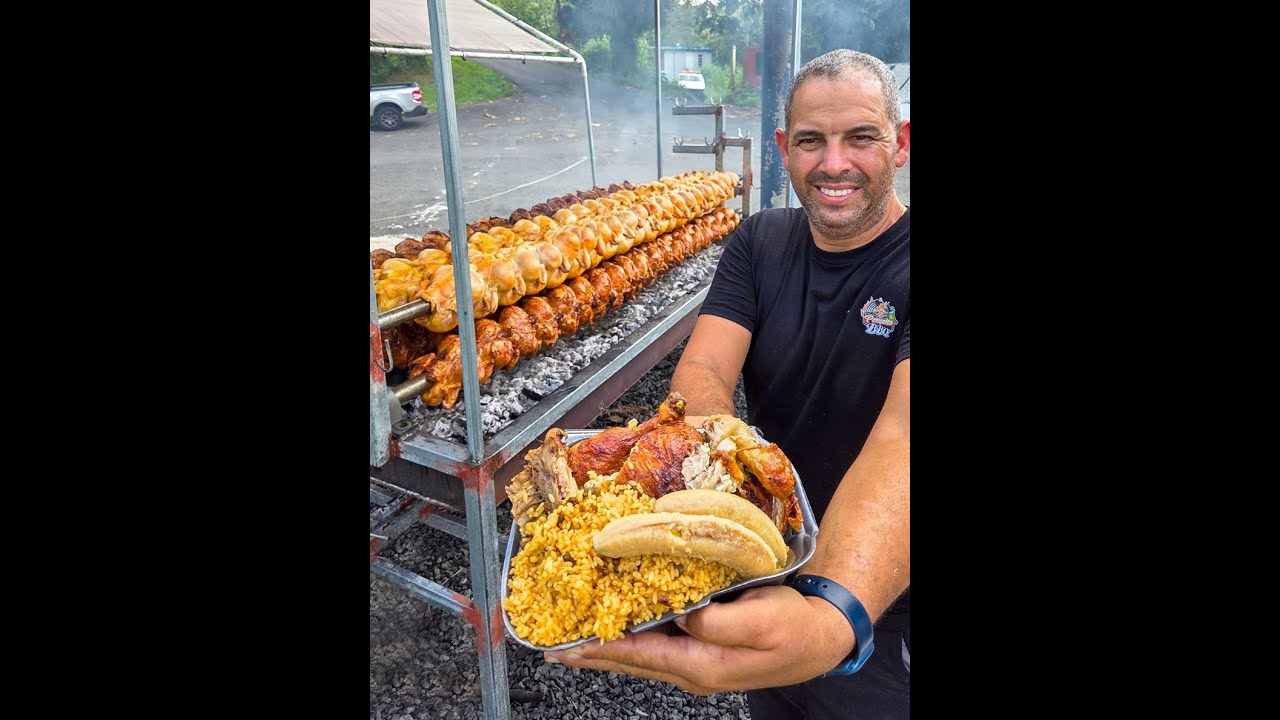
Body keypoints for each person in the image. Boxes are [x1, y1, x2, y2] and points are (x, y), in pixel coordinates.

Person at [546, 48, 911, 719]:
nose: (834, 164)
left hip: (877, 604)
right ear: (782, 149)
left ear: (902, 143)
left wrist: (834, 614)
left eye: (861, 137)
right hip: (763, 566)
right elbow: (706, 370)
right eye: (811, 141)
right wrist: (723, 456)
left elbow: (904, 439)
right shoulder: (760, 241)